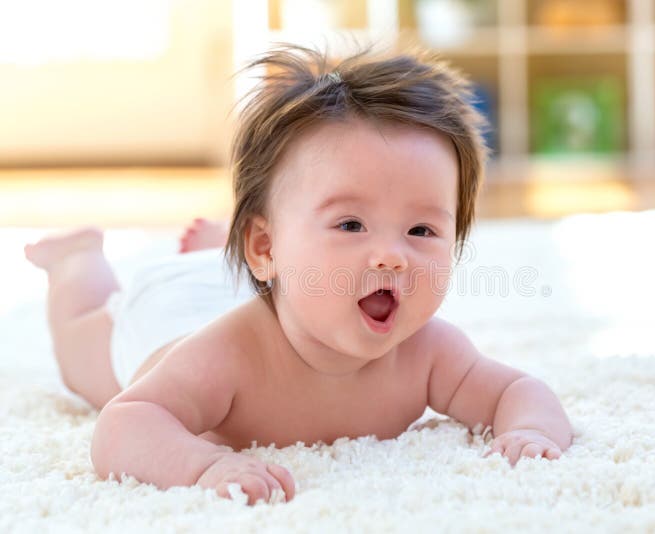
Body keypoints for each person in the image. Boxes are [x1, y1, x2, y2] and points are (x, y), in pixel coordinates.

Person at [24, 43, 573, 506]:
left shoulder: (431, 353)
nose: (392, 257)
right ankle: (76, 261)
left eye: (422, 231)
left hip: (273, 276)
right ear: (263, 248)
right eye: (352, 223)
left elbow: (518, 391)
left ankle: (223, 245)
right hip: (170, 315)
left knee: (285, 266)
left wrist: (527, 430)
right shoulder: (227, 356)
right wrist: (202, 466)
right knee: (84, 358)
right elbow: (124, 425)